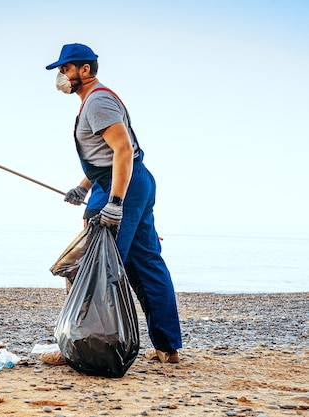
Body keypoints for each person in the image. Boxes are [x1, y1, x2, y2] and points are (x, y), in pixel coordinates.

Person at [45, 43, 182, 363]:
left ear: (85, 70)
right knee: (146, 264)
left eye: (65, 69)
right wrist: (82, 187)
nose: (61, 76)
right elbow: (107, 156)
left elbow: (122, 151)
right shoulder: (96, 101)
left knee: (93, 266)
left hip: (123, 186)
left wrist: (116, 201)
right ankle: (168, 349)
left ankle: (83, 347)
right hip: (135, 182)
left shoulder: (97, 102)